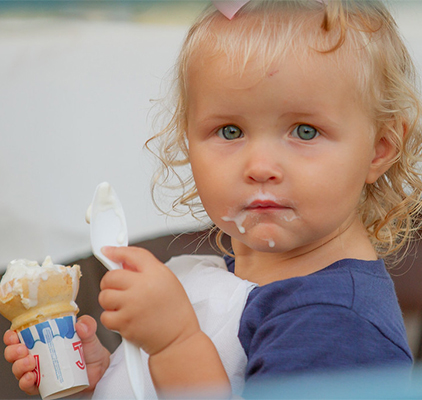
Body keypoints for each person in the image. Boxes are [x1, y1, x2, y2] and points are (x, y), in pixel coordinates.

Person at [4, 0, 422, 398]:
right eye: (230, 131)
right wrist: (105, 374)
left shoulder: (335, 322)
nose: (260, 166)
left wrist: (174, 343)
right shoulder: (223, 280)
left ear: (380, 148)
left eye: (305, 131)